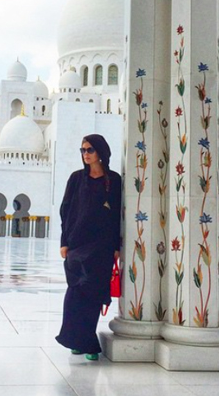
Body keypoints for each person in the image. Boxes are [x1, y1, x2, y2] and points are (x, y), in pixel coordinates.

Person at [55, 134, 122, 361]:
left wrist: (116, 245)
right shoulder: (76, 179)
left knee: (93, 295)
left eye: (89, 150)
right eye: (82, 150)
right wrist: (64, 241)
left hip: (101, 247)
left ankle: (86, 340)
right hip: (77, 244)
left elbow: (116, 216)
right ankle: (76, 339)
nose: (85, 154)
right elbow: (66, 210)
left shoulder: (113, 180)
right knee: (75, 292)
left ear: (100, 152)